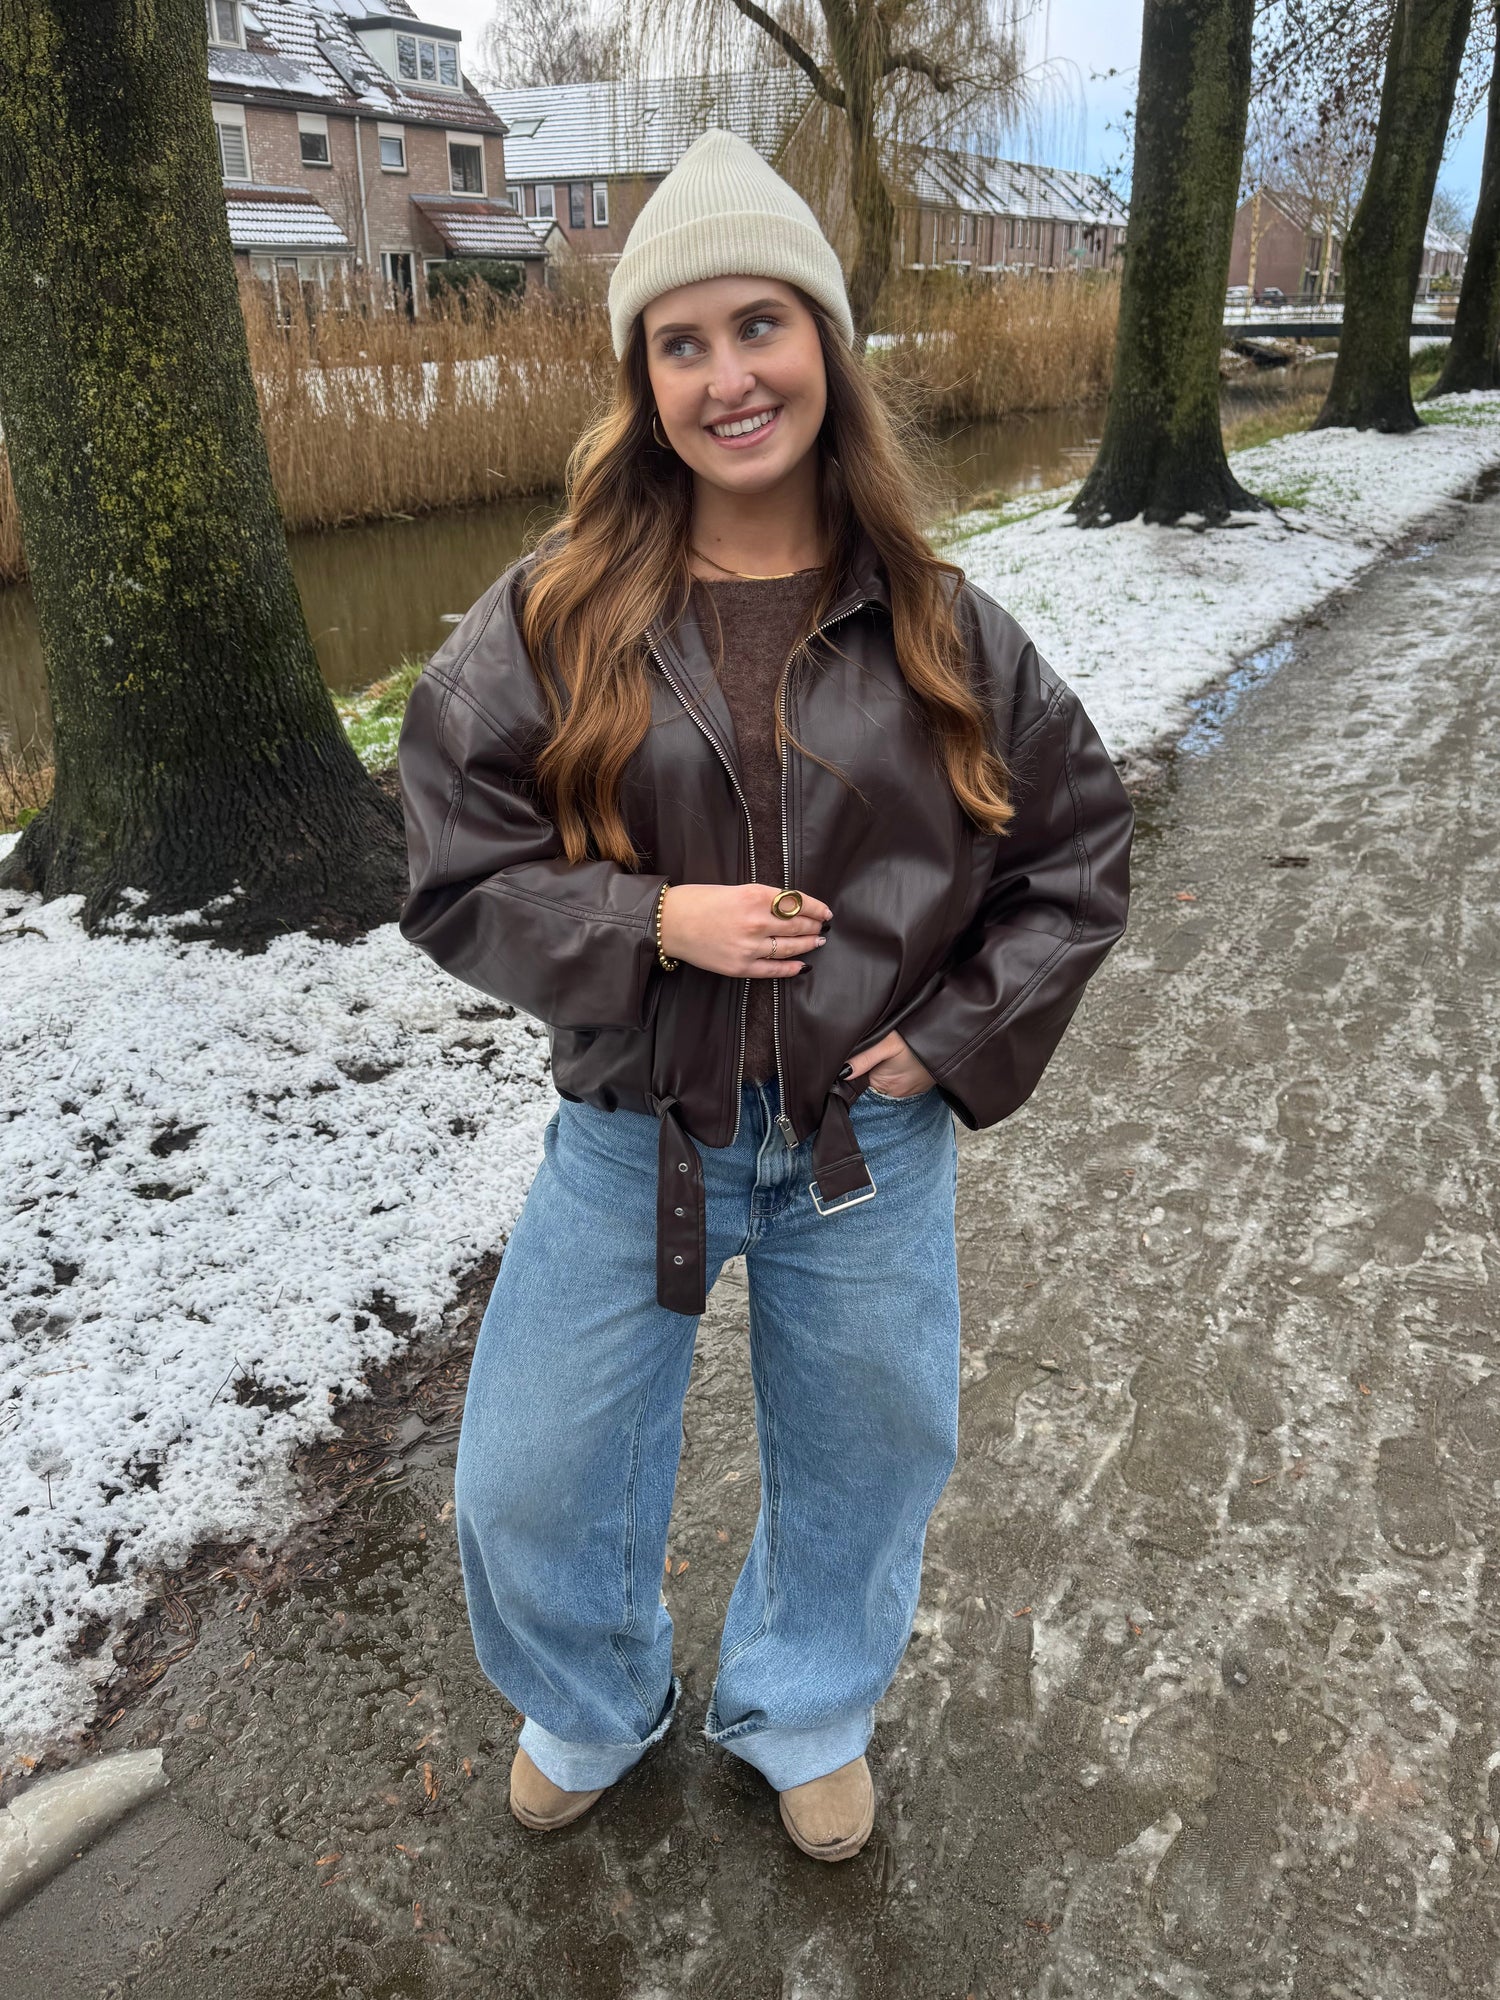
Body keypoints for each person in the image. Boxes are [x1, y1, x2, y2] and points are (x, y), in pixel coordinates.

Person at [396, 128, 1133, 1862]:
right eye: (683, 342)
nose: (728, 376)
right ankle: (593, 1699)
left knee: (873, 1455)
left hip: (860, 1147)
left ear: (825, 345)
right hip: (632, 1135)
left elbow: (1079, 853)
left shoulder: (946, 625)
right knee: (528, 1475)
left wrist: (947, 1041)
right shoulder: (554, 616)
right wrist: (654, 921)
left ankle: (803, 1706)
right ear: (644, 382)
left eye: (761, 326)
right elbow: (454, 866)